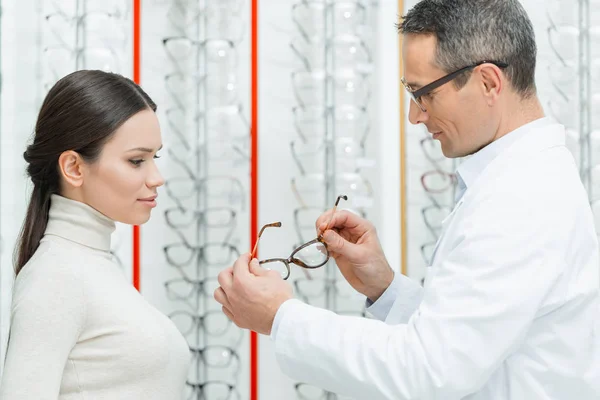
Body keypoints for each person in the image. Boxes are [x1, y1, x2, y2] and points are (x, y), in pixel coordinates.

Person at [214, 0, 600, 399]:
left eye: (423, 94)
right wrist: (386, 289)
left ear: (488, 82)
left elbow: (430, 371)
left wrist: (281, 318)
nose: (415, 116)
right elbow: (470, 345)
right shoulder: (519, 180)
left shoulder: (520, 197)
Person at [0, 70, 190, 399]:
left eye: (154, 157)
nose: (156, 177)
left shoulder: (90, 266)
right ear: (74, 167)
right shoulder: (56, 277)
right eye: (136, 161)